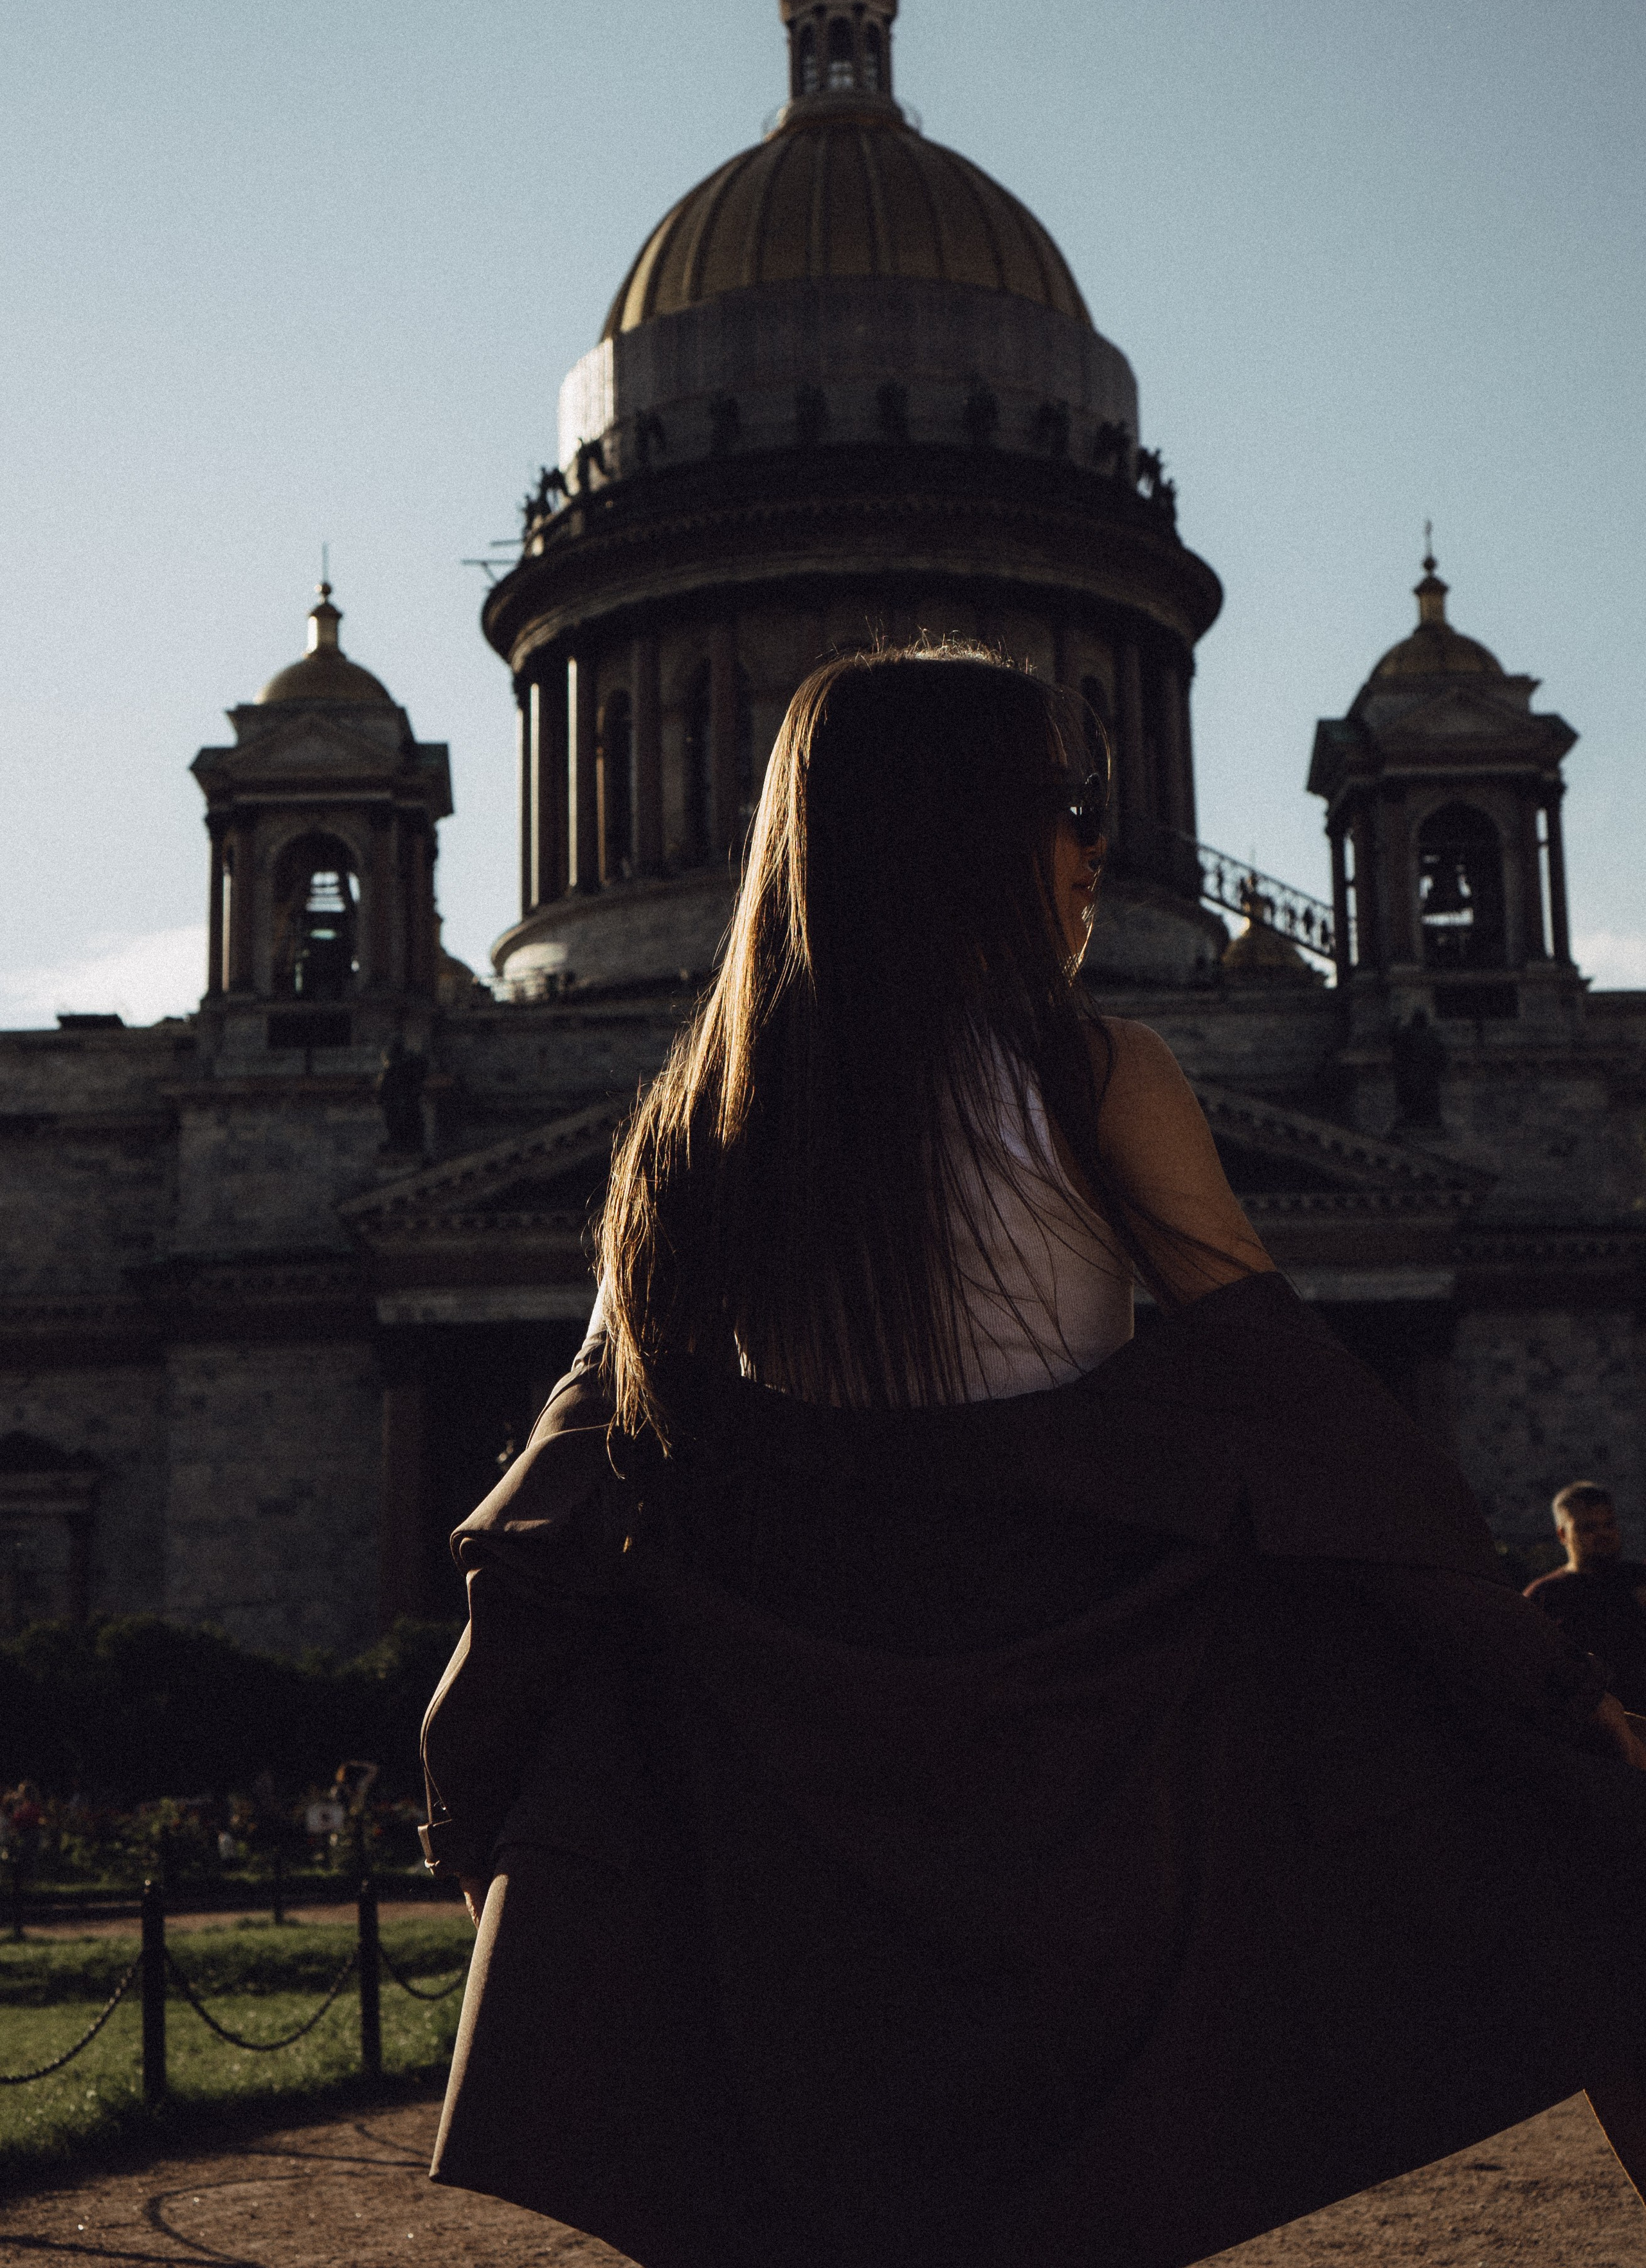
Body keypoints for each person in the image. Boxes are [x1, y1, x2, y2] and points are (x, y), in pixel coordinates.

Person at [421, 646, 1646, 2268]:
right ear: (963, 829)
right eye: (1068, 805)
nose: (1094, 846)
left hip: (796, 1766)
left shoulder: (688, 1135)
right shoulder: (1096, 1075)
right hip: (1084, 1745)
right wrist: (1532, 1678)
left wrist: (476, 1747)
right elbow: (1306, 1413)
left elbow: (569, 1473)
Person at [1526, 1483, 1646, 1714]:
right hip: (1592, 1729)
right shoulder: (1545, 1597)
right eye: (1588, 1527)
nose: (1603, 1534)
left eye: (1608, 1524)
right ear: (1563, 1534)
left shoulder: (1640, 1580)